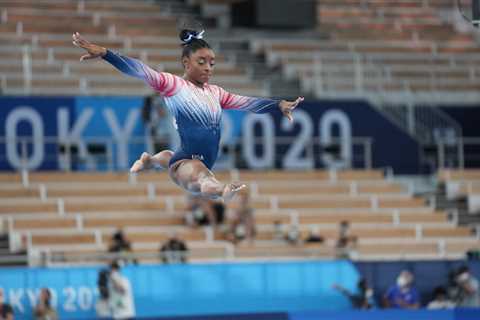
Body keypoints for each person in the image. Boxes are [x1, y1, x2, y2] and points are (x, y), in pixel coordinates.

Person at [72, 30, 303, 202]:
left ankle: (149, 160)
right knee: (203, 178)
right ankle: (220, 189)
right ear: (186, 62)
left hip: (189, 156)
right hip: (186, 165)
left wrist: (278, 105)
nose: (208, 68)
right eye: (201, 62)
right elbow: (140, 70)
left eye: (212, 63)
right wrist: (106, 54)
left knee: (180, 160)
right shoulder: (174, 85)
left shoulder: (216, 93)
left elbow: (249, 103)